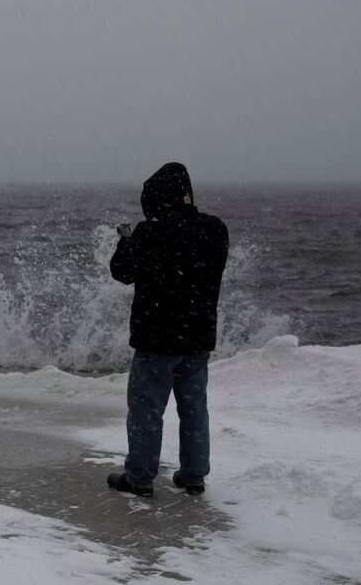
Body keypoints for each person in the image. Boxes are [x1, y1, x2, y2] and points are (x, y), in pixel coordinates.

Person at [107, 162, 229, 497]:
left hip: (156, 339)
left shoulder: (151, 232)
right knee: (193, 410)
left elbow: (122, 271)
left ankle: (140, 478)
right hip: (198, 338)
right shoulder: (215, 229)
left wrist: (126, 241)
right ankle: (193, 475)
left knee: (147, 410)